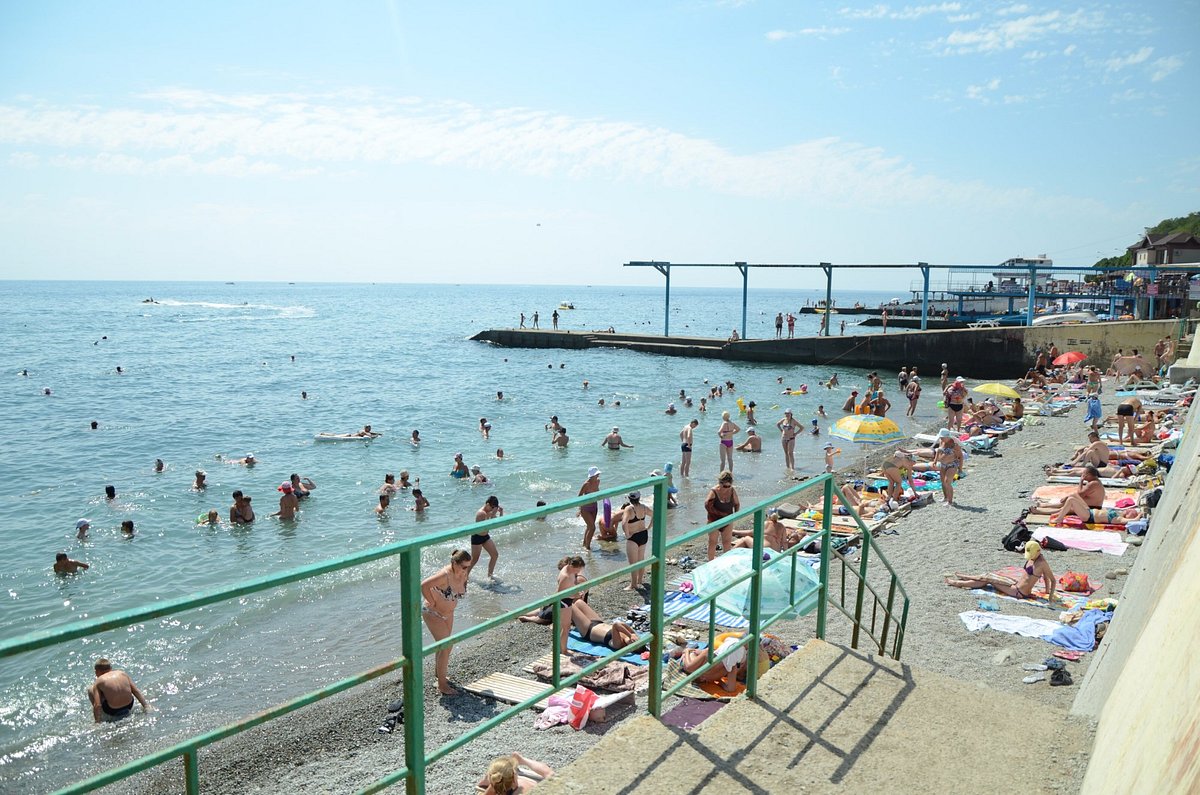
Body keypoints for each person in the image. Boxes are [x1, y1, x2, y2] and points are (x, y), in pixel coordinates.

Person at [421, 549, 471, 695]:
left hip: (448, 614)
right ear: (454, 563)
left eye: (468, 566)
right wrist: (432, 601)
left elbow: (459, 589)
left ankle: (439, 675)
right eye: (464, 566)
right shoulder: (444, 575)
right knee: (446, 646)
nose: (466, 570)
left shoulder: (463, 574)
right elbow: (424, 585)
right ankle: (442, 685)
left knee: (444, 647)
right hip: (433, 613)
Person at [945, 541, 1058, 603]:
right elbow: (1045, 578)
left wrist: (1049, 597)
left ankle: (958, 582)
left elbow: (1052, 580)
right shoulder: (1034, 557)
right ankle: (967, 577)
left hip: (1019, 592)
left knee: (988, 579)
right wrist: (1046, 591)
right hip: (1015, 584)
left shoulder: (1042, 563)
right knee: (989, 576)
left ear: (1038, 551)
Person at [679, 636, 748, 693]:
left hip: (703, 664)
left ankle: (688, 651)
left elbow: (731, 689)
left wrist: (719, 681)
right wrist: (687, 651)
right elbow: (689, 667)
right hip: (695, 662)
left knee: (701, 654)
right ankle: (687, 651)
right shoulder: (730, 667)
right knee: (700, 653)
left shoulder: (731, 667)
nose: (741, 676)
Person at [568, 599, 640, 652]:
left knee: (569, 604)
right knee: (579, 602)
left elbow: (616, 625)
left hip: (588, 630)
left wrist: (630, 635)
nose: (633, 641)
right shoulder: (630, 635)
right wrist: (632, 633)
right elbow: (622, 624)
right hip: (598, 622)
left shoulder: (618, 644)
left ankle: (565, 621)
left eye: (633, 644)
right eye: (636, 641)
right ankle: (572, 620)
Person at [704, 471, 740, 560]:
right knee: (712, 542)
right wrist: (721, 514)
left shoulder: (732, 491)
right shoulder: (714, 491)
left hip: (728, 520)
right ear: (720, 483)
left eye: (728, 486)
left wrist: (735, 515)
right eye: (724, 486)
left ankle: (726, 561)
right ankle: (711, 561)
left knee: (727, 542)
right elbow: (707, 505)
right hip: (714, 520)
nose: (726, 489)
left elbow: (737, 503)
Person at [478, 753, 554, 794]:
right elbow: (550, 775)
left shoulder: (494, 787)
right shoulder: (524, 787)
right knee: (552, 775)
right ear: (514, 778)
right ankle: (522, 760)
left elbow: (482, 786)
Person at [623, 492, 651, 591]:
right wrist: (649, 527)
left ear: (629, 499)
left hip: (633, 536)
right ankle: (640, 580)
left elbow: (624, 523)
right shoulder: (644, 507)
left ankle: (633, 584)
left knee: (633, 562)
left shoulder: (629, 509)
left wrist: (627, 535)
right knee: (641, 559)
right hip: (643, 534)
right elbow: (655, 515)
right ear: (639, 498)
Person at [471, 496, 502, 579]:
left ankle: (490, 575)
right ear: (487, 504)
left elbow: (498, 523)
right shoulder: (481, 513)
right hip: (477, 537)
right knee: (474, 560)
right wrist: (492, 515)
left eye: (494, 508)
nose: (492, 509)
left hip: (485, 536)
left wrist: (501, 513)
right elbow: (487, 526)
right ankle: (464, 576)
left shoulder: (489, 512)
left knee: (495, 555)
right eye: (492, 507)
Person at [932, 432, 964, 506]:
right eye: (940, 437)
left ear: (948, 437)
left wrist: (960, 469)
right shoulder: (941, 441)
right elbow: (938, 451)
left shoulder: (954, 445)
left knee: (947, 482)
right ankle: (945, 497)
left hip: (952, 465)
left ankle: (950, 501)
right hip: (943, 464)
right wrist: (935, 461)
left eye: (942, 437)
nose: (941, 438)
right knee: (943, 481)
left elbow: (961, 456)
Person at [579, 467, 601, 549]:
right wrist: (579, 509)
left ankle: (584, 544)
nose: (598, 475)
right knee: (592, 528)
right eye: (596, 474)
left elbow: (597, 492)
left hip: (594, 506)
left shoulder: (598, 481)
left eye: (598, 474)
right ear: (591, 476)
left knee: (589, 527)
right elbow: (579, 496)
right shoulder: (586, 484)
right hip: (585, 508)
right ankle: (587, 547)